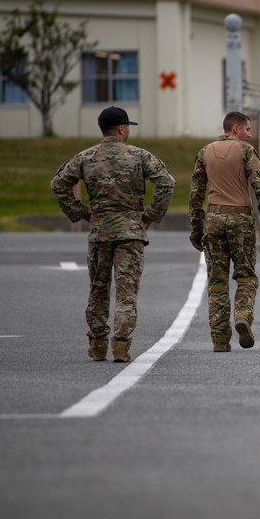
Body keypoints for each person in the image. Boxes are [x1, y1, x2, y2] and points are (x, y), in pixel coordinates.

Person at [51, 106, 175, 363]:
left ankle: (97, 345)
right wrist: (151, 214)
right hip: (131, 231)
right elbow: (166, 182)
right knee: (126, 293)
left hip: (100, 232)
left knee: (98, 289)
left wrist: (82, 213)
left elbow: (58, 184)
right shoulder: (139, 156)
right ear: (121, 128)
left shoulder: (86, 157)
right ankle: (121, 346)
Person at [189, 112, 260, 352]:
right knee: (246, 275)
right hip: (240, 219)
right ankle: (242, 315)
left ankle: (219, 340)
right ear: (236, 128)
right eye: (248, 129)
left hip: (213, 219)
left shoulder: (205, 152)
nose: (250, 134)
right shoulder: (246, 151)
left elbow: (196, 193)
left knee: (217, 282)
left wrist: (197, 227)